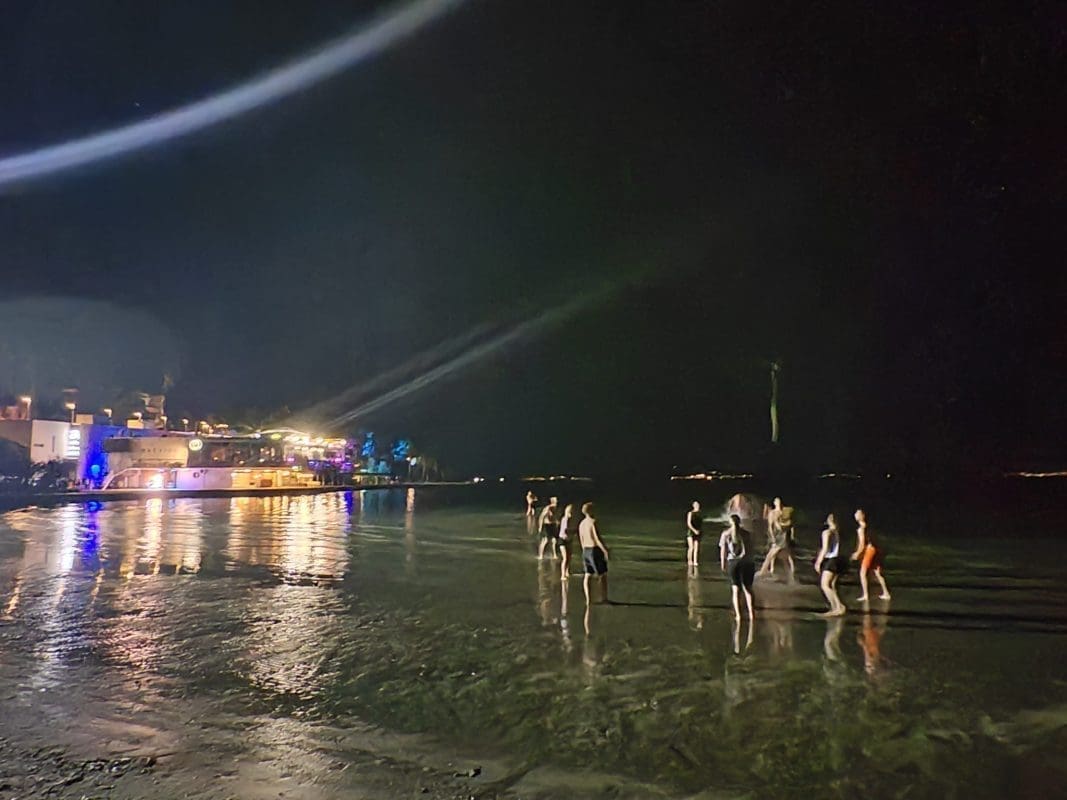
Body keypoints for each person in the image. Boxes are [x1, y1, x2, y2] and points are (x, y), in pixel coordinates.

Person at [719, 514, 755, 621]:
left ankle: (738, 616)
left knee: (736, 590)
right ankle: (752, 614)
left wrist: (723, 564)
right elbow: (751, 549)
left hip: (733, 563)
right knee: (748, 589)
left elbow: (723, 551)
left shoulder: (726, 534)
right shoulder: (747, 534)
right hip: (747, 562)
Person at [851, 508, 891, 601]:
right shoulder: (869, 527)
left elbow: (862, 544)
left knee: (862, 572)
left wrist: (857, 553)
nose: (855, 515)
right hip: (875, 548)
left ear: (862, 516)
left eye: (858, 513)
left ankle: (865, 595)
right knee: (877, 572)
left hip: (869, 550)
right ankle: (886, 593)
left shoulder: (861, 529)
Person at [814, 513, 846, 616]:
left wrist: (818, 562)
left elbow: (825, 548)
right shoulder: (837, 532)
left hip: (831, 560)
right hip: (838, 559)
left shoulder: (826, 533)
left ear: (829, 521)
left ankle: (837, 608)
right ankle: (838, 607)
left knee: (825, 585)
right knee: (832, 585)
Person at [758, 497, 796, 582]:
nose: (779, 503)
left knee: (779, 556)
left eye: (780, 501)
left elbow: (791, 525)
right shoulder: (772, 513)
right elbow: (770, 527)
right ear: (774, 503)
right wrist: (772, 537)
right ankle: (790, 576)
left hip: (784, 536)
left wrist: (792, 535)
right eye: (777, 501)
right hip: (777, 536)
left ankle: (762, 573)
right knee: (782, 557)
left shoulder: (785, 512)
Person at [578, 502, 609, 604]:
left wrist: (584, 551)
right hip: (594, 550)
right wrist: (605, 550)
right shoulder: (592, 522)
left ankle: (588, 599)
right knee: (602, 575)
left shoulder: (582, 523)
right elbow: (597, 538)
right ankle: (604, 598)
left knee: (588, 575)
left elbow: (581, 539)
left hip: (585, 550)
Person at [558, 502, 575, 578]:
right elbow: (565, 530)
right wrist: (574, 531)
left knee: (569, 557)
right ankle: (562, 575)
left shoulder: (570, 519)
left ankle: (567, 571)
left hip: (569, 539)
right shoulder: (565, 519)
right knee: (565, 558)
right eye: (571, 512)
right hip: (562, 540)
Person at [685, 500, 704, 566]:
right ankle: (689, 560)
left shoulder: (700, 514)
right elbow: (689, 523)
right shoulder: (690, 513)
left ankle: (695, 561)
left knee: (696, 548)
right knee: (691, 547)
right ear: (693, 506)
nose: (697, 506)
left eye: (698, 505)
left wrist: (700, 531)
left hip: (698, 531)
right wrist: (694, 530)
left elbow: (700, 523)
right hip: (691, 532)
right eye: (696, 505)